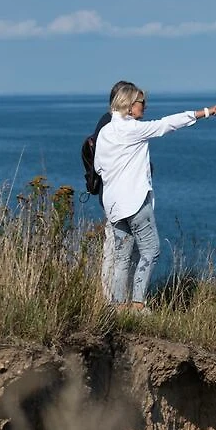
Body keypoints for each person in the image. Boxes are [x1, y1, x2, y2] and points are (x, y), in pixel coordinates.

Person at [95, 82, 216, 311]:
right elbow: (168, 123)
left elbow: (99, 167)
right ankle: (138, 304)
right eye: (141, 102)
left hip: (113, 205)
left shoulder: (105, 132)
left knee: (121, 257)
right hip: (135, 203)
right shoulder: (133, 129)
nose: (145, 106)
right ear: (129, 105)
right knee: (151, 250)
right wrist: (206, 112)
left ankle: (117, 306)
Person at [92, 81, 136, 304]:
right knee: (116, 248)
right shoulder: (110, 125)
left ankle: (120, 299)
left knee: (124, 248)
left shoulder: (108, 123)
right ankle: (112, 301)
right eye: (134, 100)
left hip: (116, 196)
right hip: (117, 198)